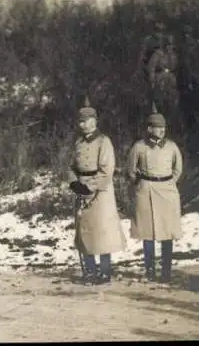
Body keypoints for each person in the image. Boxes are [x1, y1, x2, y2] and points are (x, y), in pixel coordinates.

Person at [67, 97, 127, 286]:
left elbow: (106, 170)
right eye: (80, 121)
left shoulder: (103, 142)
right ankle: (90, 271)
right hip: (81, 188)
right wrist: (74, 182)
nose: (83, 124)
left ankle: (105, 271)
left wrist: (88, 187)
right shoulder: (78, 143)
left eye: (86, 120)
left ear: (95, 121)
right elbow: (71, 166)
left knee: (102, 231)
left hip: (100, 192)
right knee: (85, 232)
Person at [126, 110, 183, 284]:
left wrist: (169, 182)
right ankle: (150, 270)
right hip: (146, 191)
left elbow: (178, 168)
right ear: (149, 128)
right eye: (158, 127)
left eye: (163, 127)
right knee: (147, 232)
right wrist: (142, 183)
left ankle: (166, 271)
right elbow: (131, 169)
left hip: (167, 191)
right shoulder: (139, 147)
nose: (161, 130)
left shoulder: (172, 146)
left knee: (167, 232)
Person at [147, 35, 179, 124]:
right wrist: (152, 81)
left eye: (171, 45)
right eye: (168, 44)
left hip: (171, 81)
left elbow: (176, 68)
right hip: (160, 79)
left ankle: (170, 120)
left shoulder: (174, 55)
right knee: (159, 101)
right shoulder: (158, 54)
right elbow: (151, 68)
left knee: (172, 101)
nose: (169, 47)